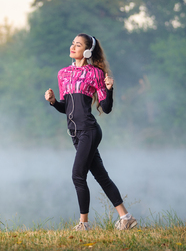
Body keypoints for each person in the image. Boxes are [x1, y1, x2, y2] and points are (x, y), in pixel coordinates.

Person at [44, 33, 137, 231]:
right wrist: (53, 102)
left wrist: (110, 89)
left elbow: (107, 107)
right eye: (72, 43)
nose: (73, 47)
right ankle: (126, 217)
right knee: (101, 177)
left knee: (78, 175)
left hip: (90, 130)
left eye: (78, 45)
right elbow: (66, 108)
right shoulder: (63, 74)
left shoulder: (95, 73)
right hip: (75, 134)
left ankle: (83, 224)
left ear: (87, 51)